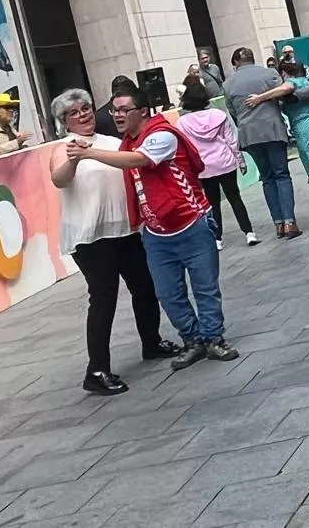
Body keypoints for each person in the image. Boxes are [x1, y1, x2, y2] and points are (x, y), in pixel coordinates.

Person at [66, 87, 237, 370]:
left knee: (205, 288)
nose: (117, 115)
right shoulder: (126, 143)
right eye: (114, 110)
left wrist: (89, 153)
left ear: (143, 111)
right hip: (157, 234)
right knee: (168, 293)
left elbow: (140, 160)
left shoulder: (162, 135)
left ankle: (214, 339)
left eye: (124, 110)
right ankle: (193, 340)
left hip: (191, 223)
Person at [49, 89, 180, 395]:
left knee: (145, 286)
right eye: (74, 112)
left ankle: (152, 341)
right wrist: (74, 159)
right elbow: (59, 180)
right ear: (63, 121)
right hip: (91, 236)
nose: (83, 115)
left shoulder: (112, 143)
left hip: (126, 229)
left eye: (86, 109)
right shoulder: (63, 148)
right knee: (103, 297)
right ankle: (96, 370)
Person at [245, 61, 309, 226]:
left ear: (285, 72)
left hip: (304, 127)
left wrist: (259, 98)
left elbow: (287, 89)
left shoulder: (290, 83)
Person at [222, 47, 299, 238]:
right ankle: (290, 221)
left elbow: (232, 111)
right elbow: (283, 96)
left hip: (249, 133)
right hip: (272, 129)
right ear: (252, 58)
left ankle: (278, 223)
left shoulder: (228, 83)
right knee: (281, 174)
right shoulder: (270, 73)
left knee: (266, 177)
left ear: (235, 63)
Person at [175, 83, 257, 249]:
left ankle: (217, 238)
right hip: (225, 162)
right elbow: (231, 141)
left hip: (204, 168)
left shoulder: (182, 123)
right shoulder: (219, 115)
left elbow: (185, 149)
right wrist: (240, 161)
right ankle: (249, 233)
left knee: (213, 202)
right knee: (235, 198)